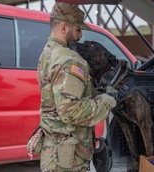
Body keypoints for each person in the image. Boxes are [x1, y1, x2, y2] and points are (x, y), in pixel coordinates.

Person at [37, 2, 117, 172]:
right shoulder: (70, 59)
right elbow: (71, 111)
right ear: (64, 27)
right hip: (69, 158)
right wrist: (106, 101)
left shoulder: (48, 53)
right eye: (78, 30)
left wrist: (94, 92)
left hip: (53, 151)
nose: (80, 36)